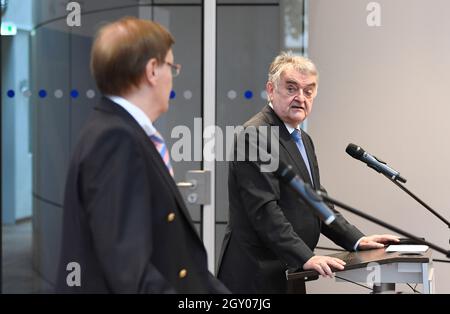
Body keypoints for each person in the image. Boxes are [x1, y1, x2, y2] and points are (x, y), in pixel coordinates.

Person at [56, 17, 228, 294]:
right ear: (152, 70)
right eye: (171, 66)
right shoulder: (115, 140)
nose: (173, 77)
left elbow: (175, 259)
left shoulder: (122, 132)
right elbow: (129, 274)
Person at [217, 52, 399, 293]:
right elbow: (264, 211)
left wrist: (356, 240)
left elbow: (316, 200)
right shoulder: (256, 135)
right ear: (271, 90)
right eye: (291, 88)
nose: (300, 98)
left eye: (308, 91)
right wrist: (305, 256)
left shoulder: (303, 139)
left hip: (290, 269)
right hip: (255, 275)